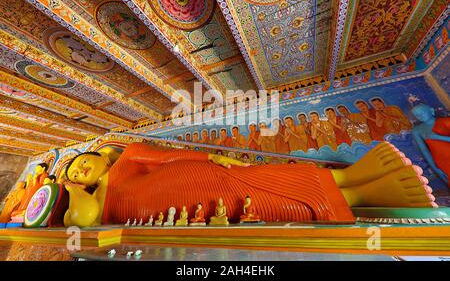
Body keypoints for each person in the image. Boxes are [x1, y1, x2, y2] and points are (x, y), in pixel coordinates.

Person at [63, 141, 436, 227]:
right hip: (177, 211)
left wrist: (211, 157)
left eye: (81, 161)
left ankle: (348, 176)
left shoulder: (129, 154)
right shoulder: (92, 203)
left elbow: (168, 156)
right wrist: (70, 192)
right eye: (75, 172)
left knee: (258, 178)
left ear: (101, 155)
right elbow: (79, 221)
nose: (79, 170)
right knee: (259, 207)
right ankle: (361, 194)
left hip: (196, 175)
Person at [412, 104, 449, 187]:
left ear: (431, 111)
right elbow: (424, 151)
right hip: (441, 160)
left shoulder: (446, 121)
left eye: (423, 112)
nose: (420, 116)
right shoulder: (417, 131)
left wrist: (438, 137)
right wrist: (435, 168)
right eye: (417, 115)